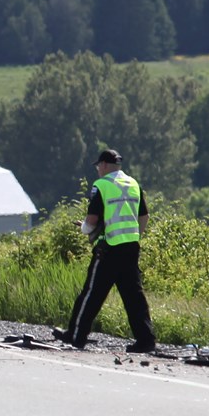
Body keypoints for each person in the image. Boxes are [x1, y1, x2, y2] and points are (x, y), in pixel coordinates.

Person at [54, 149, 158, 353]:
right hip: (130, 247)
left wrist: (84, 229)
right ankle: (146, 341)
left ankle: (76, 336)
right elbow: (144, 216)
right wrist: (133, 235)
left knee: (91, 294)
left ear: (103, 165)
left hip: (109, 248)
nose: (97, 170)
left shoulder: (101, 186)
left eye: (98, 166)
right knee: (134, 297)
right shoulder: (133, 184)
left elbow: (92, 220)